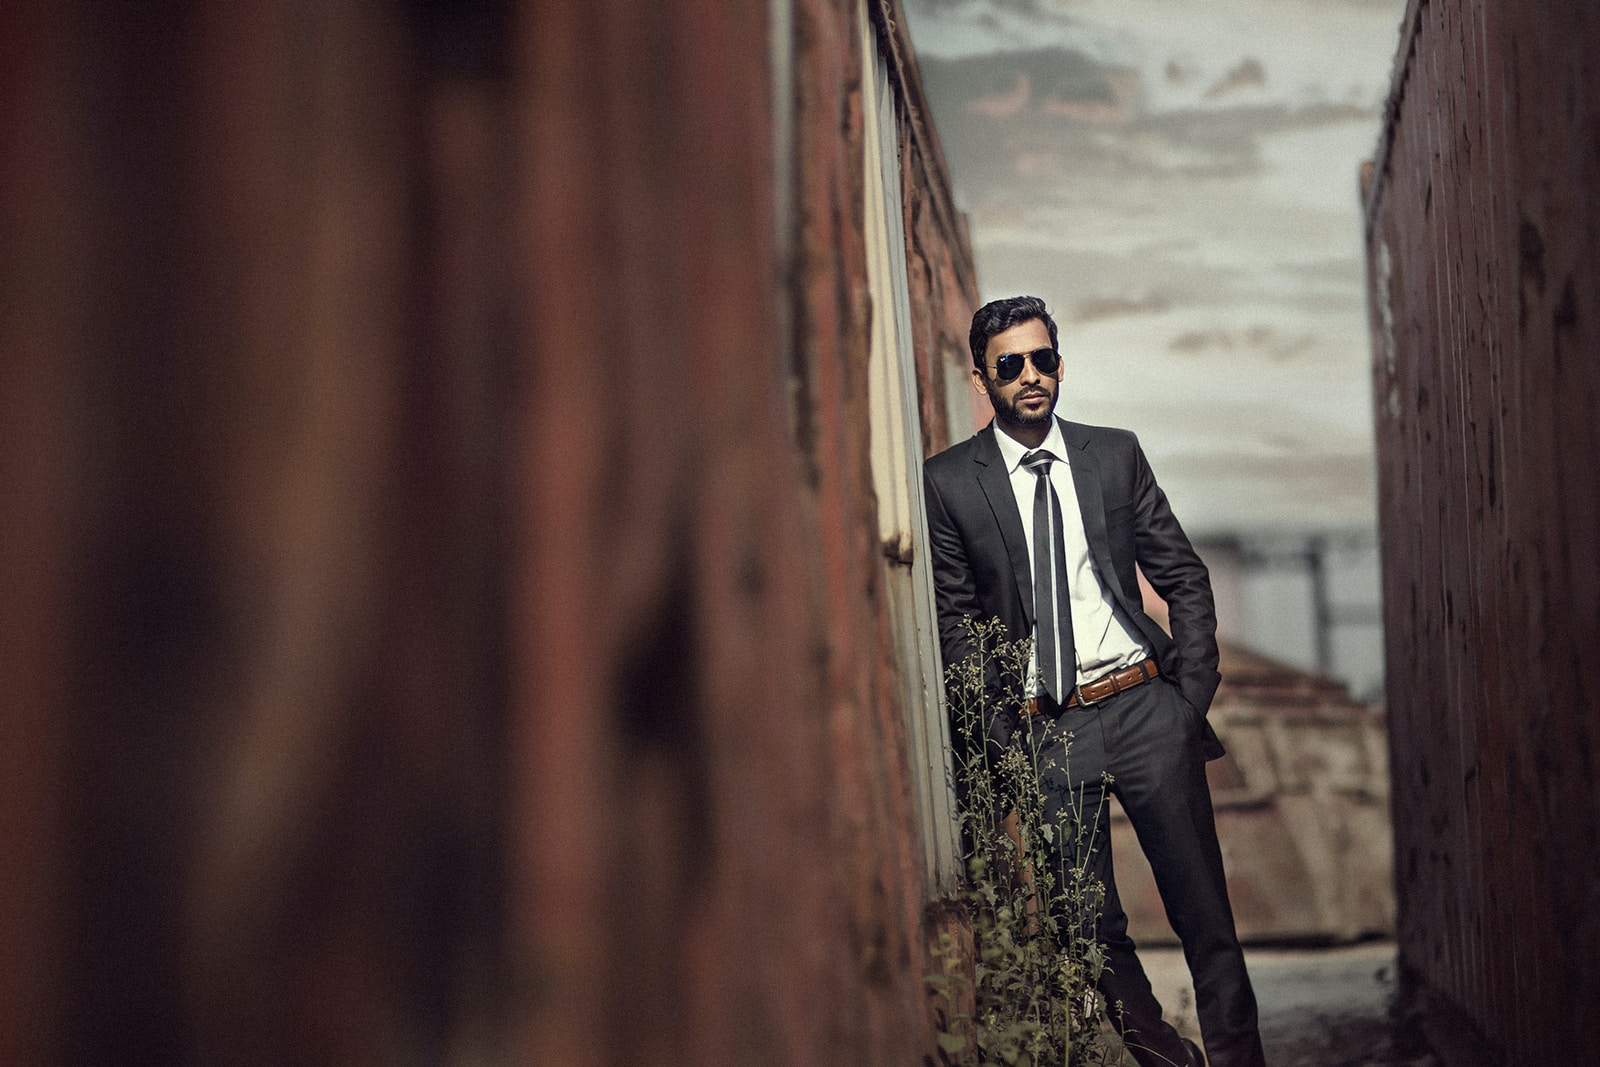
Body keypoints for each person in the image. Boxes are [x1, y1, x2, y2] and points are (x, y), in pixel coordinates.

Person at [923, 295, 1267, 1067]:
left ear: (1061, 363)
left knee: (1206, 920)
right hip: (1048, 732)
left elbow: (1182, 574)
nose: (1031, 376)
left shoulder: (1115, 454)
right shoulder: (949, 483)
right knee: (1088, 936)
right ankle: (1168, 1060)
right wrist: (1010, 741)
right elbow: (957, 626)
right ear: (983, 379)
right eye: (1010, 364)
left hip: (1147, 707)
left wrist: (1188, 699)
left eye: (1043, 359)